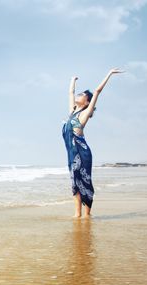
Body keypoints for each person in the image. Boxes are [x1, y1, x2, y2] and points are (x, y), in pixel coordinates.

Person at [62, 68, 125, 218]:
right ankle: (77, 214)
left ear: (87, 102)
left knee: (85, 182)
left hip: (82, 154)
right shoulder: (72, 112)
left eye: (83, 95)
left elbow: (97, 91)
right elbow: (70, 93)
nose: (80, 94)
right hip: (71, 154)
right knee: (74, 184)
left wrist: (109, 73)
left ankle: (87, 214)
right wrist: (72, 79)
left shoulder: (85, 113)